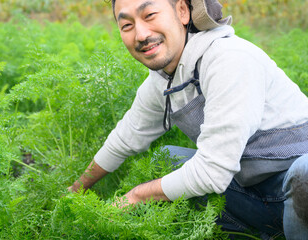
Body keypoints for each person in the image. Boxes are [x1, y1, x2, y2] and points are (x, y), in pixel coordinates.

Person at [68, 0, 308, 238]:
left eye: (149, 14)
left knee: (305, 172)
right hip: (250, 188)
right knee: (169, 159)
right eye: (127, 25)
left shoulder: (228, 59)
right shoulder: (164, 80)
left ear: (182, 11)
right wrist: (75, 190)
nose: (141, 34)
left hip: (293, 189)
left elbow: (212, 172)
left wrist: (136, 196)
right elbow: (125, 138)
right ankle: (258, 232)